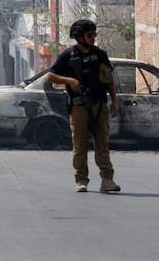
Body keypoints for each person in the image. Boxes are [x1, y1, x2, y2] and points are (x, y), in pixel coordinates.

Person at [47, 19, 121, 193]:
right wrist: (69, 80)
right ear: (79, 37)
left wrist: (114, 101)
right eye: (89, 35)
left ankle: (107, 180)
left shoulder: (100, 54)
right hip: (79, 105)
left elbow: (109, 80)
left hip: (99, 104)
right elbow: (51, 76)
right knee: (80, 144)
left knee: (102, 143)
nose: (93, 38)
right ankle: (81, 180)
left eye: (94, 34)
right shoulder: (68, 56)